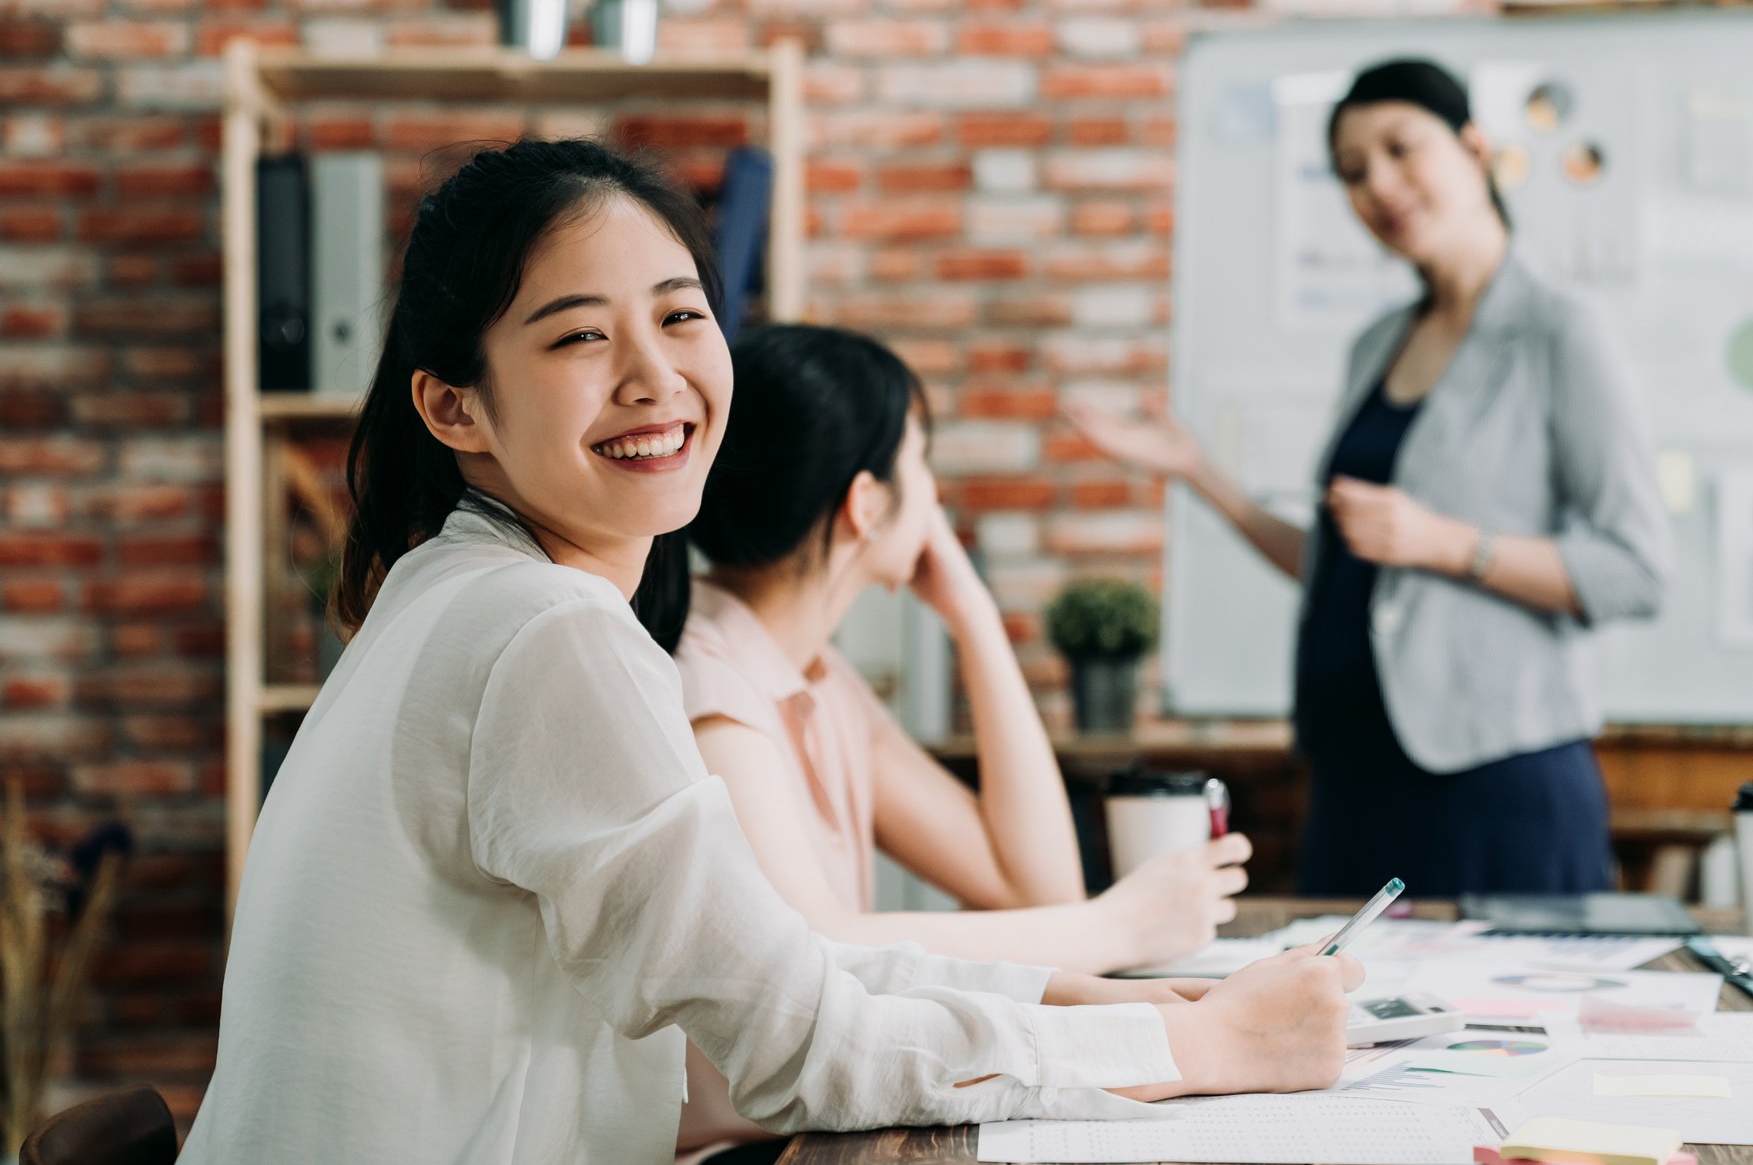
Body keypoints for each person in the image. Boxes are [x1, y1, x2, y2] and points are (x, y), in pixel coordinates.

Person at [178, 139, 1363, 1164]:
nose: (656, 376)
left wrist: (1129, 1008)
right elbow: (804, 1048)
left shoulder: (455, 591)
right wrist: (1198, 1045)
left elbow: (778, 960)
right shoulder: (543, 632)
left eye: (681, 314)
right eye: (581, 336)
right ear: (455, 409)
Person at [1070, 59, 1668, 899]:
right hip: (1350, 771)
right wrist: (1199, 473)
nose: (1378, 184)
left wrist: (1444, 542)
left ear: (1472, 146)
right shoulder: (1377, 340)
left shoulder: (1559, 331)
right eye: (1352, 171)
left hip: (1493, 780)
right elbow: (1345, 559)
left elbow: (1632, 571)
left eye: (1399, 148)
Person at [668, 324, 1253, 1160]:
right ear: (867, 504)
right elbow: (815, 946)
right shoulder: (708, 679)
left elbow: (1028, 885)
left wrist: (974, 620)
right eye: (922, 462)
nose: (935, 498)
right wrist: (1114, 928)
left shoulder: (810, 671)